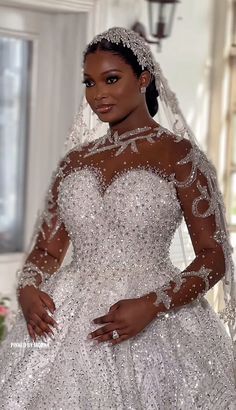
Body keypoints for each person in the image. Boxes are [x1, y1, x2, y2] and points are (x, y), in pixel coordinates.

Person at [0, 27, 236, 409]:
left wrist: (152, 304)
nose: (98, 94)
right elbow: (46, 251)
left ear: (143, 79)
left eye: (111, 79)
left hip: (153, 319)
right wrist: (28, 289)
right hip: (67, 318)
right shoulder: (75, 162)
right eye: (90, 83)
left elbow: (214, 255)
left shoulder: (179, 157)